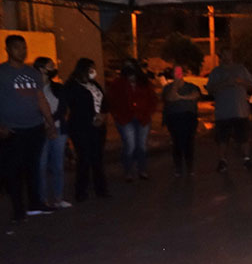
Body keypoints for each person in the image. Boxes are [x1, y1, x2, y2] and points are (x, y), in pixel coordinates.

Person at [0, 35, 58, 223]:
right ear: (8, 49)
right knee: (13, 171)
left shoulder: (32, 73)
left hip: (34, 128)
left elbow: (40, 98)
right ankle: (18, 210)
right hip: (12, 131)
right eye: (17, 47)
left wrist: (50, 123)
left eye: (24, 47)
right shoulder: (2, 72)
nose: (22, 51)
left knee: (33, 168)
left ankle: (35, 204)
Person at [64, 58, 109, 202]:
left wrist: (102, 115)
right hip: (81, 127)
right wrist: (92, 118)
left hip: (98, 127)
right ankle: (81, 191)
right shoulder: (72, 86)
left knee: (97, 158)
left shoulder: (94, 84)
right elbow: (75, 106)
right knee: (84, 158)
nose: (93, 71)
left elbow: (103, 101)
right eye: (91, 68)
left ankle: (100, 189)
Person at [107, 59, 158, 181]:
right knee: (130, 145)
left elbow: (152, 99)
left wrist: (148, 112)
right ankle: (128, 171)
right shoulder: (118, 84)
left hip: (142, 117)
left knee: (141, 145)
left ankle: (142, 170)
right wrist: (116, 115)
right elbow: (111, 100)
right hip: (125, 118)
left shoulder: (144, 82)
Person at [206, 47, 252, 172]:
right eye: (224, 54)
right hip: (223, 112)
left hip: (240, 111)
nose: (227, 57)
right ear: (221, 57)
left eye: (229, 54)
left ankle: (247, 159)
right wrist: (225, 83)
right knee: (222, 139)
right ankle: (222, 161)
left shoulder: (241, 69)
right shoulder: (216, 72)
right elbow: (210, 89)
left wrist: (240, 81)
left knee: (244, 137)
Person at [33, 57, 70, 209]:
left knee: (58, 166)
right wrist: (45, 125)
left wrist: (51, 123)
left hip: (58, 129)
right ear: (41, 69)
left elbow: (62, 109)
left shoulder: (58, 88)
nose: (53, 68)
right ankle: (43, 199)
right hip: (39, 130)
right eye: (50, 66)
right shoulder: (32, 89)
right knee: (41, 166)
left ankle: (58, 198)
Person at [162, 65, 201, 176]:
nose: (178, 75)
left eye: (180, 72)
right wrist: (176, 85)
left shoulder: (191, 86)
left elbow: (195, 95)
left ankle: (189, 167)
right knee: (177, 142)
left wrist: (180, 97)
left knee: (189, 142)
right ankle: (178, 167)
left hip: (189, 117)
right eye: (176, 72)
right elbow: (170, 98)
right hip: (174, 117)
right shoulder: (168, 87)